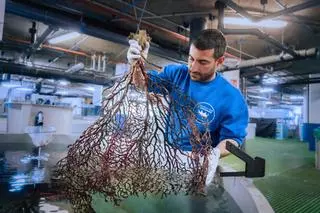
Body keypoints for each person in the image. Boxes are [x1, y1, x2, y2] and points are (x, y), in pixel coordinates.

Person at [127, 29, 249, 186]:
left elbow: (232, 138)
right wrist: (137, 64)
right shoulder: (178, 74)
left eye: (203, 62)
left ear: (219, 62)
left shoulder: (232, 98)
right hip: (168, 156)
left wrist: (213, 155)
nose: (193, 67)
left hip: (198, 164)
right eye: (191, 59)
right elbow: (141, 83)